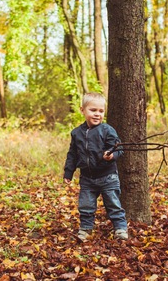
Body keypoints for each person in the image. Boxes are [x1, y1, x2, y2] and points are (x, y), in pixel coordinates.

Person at [64, 92, 128, 241]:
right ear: (83, 110)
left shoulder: (107, 130)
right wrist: (68, 172)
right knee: (86, 206)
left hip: (108, 176)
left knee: (113, 204)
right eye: (93, 110)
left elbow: (118, 148)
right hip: (87, 178)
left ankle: (120, 228)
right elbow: (72, 154)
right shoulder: (76, 133)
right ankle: (86, 230)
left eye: (101, 111)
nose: (97, 114)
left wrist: (111, 155)